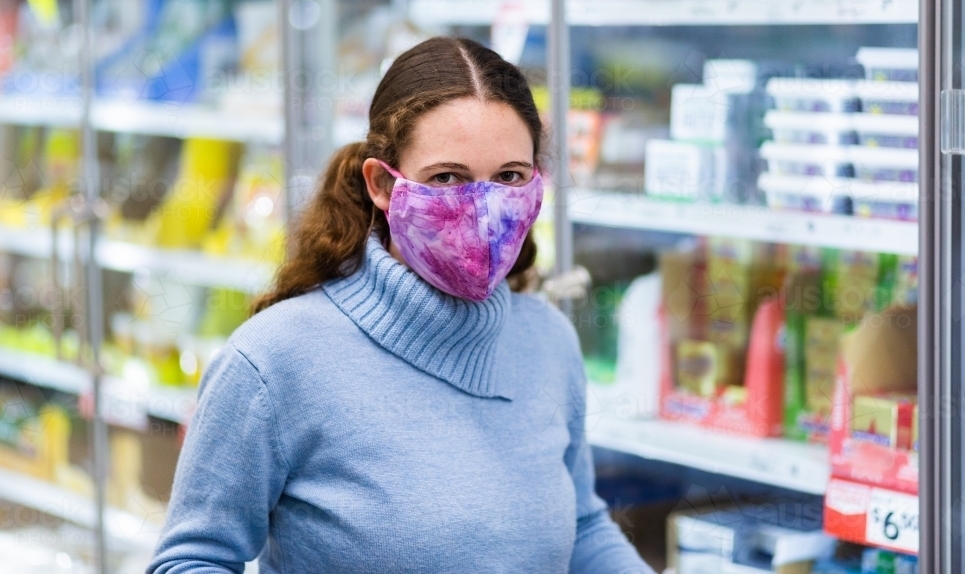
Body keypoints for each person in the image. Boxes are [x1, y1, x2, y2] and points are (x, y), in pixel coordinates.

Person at [148, 37, 654, 574]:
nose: (483, 210)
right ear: (382, 186)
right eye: (447, 177)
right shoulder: (274, 362)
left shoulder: (548, 340)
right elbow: (191, 560)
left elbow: (582, 526)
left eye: (509, 176)